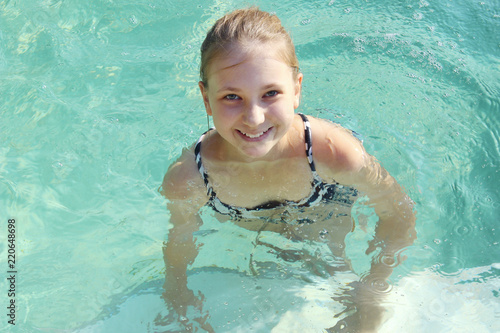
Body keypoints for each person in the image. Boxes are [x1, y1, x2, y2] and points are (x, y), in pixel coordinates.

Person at [160, 7, 416, 332]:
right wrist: (178, 293)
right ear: (206, 99)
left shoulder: (337, 155)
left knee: (355, 302)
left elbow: (400, 214)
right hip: (257, 225)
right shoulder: (189, 178)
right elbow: (180, 244)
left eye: (270, 93)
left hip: (326, 198)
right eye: (231, 97)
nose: (253, 118)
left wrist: (376, 283)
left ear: (296, 90)